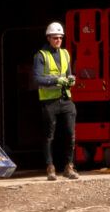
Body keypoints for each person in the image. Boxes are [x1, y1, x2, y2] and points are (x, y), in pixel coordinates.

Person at [34, 20, 79, 179]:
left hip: (66, 100)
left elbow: (68, 74)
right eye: (55, 38)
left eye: (60, 38)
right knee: (49, 136)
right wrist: (55, 81)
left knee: (70, 134)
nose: (58, 40)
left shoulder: (65, 54)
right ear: (48, 38)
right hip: (49, 102)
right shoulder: (41, 55)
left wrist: (70, 79)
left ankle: (69, 167)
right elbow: (38, 78)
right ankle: (50, 168)